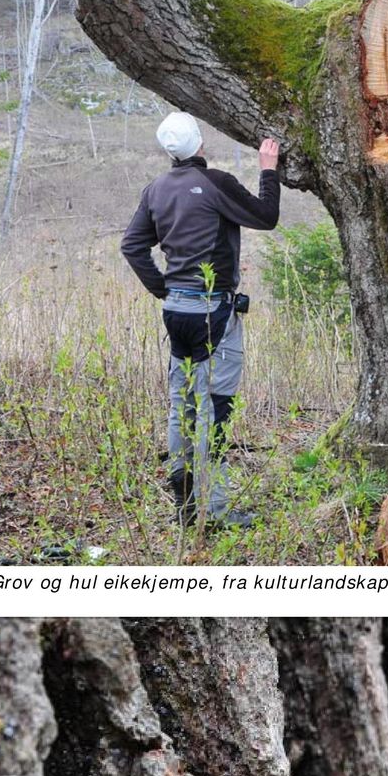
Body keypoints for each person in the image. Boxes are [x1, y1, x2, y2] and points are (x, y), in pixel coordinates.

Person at [121, 112, 281, 527]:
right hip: (214, 311)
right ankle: (217, 510)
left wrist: (163, 288)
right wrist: (268, 170)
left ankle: (185, 505)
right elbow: (266, 217)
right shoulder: (216, 183)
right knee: (214, 406)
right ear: (200, 142)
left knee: (181, 406)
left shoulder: (156, 189)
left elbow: (133, 246)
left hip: (176, 311)